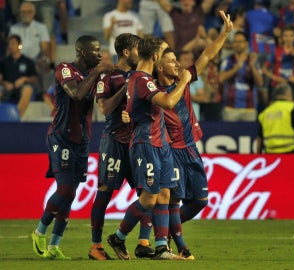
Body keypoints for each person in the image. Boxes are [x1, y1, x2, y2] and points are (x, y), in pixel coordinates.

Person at [154, 9, 233, 258]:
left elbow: (207, 55)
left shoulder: (185, 76)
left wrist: (225, 33)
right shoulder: (153, 89)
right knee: (173, 202)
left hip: (190, 148)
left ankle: (164, 231)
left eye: (177, 60)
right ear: (158, 66)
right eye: (172, 61)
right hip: (171, 151)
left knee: (200, 200)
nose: (177, 64)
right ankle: (176, 244)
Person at [106, 35, 191, 260]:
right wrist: (183, 81)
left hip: (159, 141)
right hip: (146, 143)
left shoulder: (139, 78)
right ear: (154, 56)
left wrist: (130, 114)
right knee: (149, 198)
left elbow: (134, 106)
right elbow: (168, 102)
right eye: (162, 53)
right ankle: (119, 237)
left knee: (164, 193)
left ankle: (162, 247)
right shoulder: (142, 79)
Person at [31, 35, 114, 260]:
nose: (99, 54)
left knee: (71, 193)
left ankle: (54, 245)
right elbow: (76, 93)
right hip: (61, 137)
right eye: (96, 50)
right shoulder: (65, 69)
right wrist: (98, 73)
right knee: (65, 190)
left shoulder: (93, 75)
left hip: (82, 140)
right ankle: (39, 232)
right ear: (82, 52)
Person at [89, 33, 155, 260]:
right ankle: (96, 246)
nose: (141, 53)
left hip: (138, 141)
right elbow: (104, 108)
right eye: (138, 49)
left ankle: (143, 243)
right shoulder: (108, 76)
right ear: (127, 52)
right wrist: (125, 87)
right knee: (105, 191)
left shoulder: (143, 75)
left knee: (147, 192)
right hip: (115, 140)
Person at [219, 31, 264, 122]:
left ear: (246, 44)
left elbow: (260, 82)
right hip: (230, 108)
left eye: (240, 42)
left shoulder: (252, 60)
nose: (237, 44)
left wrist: (252, 66)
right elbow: (221, 78)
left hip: (249, 108)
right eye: (235, 42)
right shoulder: (228, 60)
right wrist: (237, 67)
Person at [255, 83, 294, 154]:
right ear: (289, 94)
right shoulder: (291, 108)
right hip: (291, 154)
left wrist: (258, 154)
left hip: (271, 155)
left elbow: (259, 139)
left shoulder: (266, 112)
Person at [0, 34, 37, 118]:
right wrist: (4, 83)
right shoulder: (3, 61)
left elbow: (34, 79)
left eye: (13, 44)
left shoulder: (28, 61)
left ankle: (16, 117)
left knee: (28, 89)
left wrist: (24, 79)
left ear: (19, 45)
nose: (10, 46)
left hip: (21, 88)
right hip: (7, 88)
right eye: (9, 44)